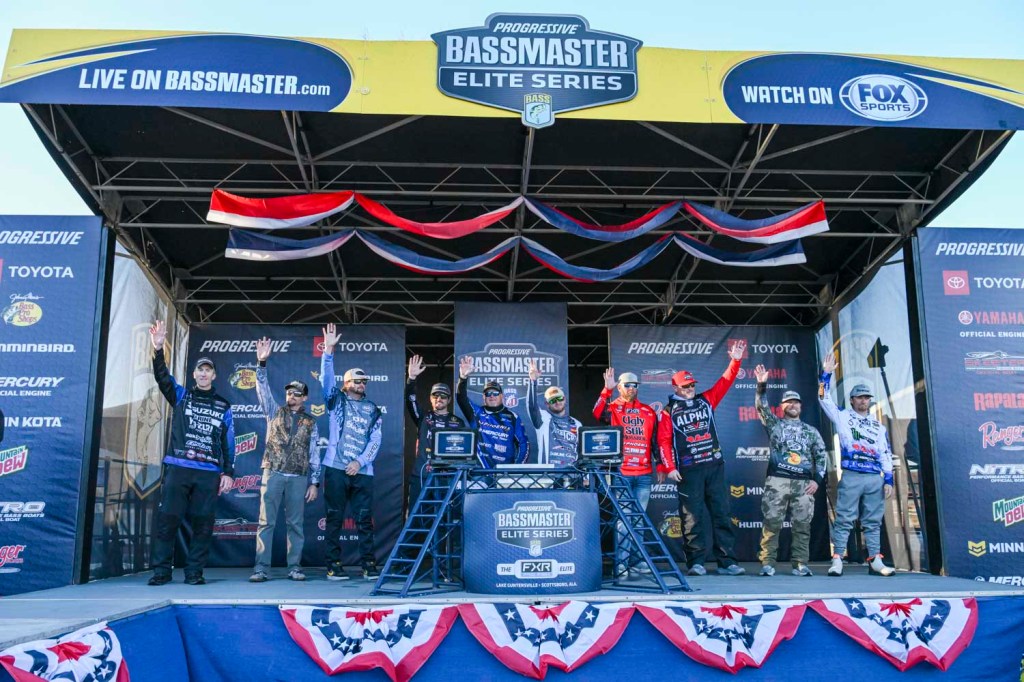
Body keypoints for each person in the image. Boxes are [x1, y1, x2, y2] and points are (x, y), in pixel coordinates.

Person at [147, 320, 234, 586]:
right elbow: (162, 377)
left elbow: (229, 443)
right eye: (200, 370)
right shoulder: (181, 396)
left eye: (208, 370)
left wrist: (228, 472)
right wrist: (158, 349)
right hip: (179, 467)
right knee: (167, 520)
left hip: (208, 472)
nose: (204, 374)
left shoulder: (224, 406)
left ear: (214, 376)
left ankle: (194, 572)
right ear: (194, 374)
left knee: (203, 525)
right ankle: (161, 572)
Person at [657, 340, 746, 576]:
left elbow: (725, 381)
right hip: (688, 470)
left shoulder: (706, 399)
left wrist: (735, 361)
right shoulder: (668, 411)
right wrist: (669, 467)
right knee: (691, 518)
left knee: (722, 514)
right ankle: (696, 562)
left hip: (714, 466)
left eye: (692, 385)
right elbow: (663, 441)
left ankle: (727, 562)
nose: (689, 389)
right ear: (675, 388)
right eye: (685, 386)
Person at [248, 337, 321, 583]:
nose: (292, 396)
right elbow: (262, 388)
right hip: (273, 472)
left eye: (297, 393)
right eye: (289, 392)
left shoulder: (311, 422)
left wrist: (315, 482)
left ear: (305, 398)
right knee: (265, 522)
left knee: (295, 525)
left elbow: (315, 453)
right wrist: (261, 363)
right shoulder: (273, 410)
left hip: (298, 477)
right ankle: (260, 568)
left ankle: (294, 567)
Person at [819, 352, 895, 577]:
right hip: (852, 474)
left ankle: (875, 561)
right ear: (852, 400)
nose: (863, 401)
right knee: (844, 518)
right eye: (859, 397)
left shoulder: (878, 426)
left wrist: (888, 479)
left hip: (874, 477)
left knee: (873, 521)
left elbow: (885, 452)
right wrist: (826, 375)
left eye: (866, 397)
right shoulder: (843, 416)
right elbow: (823, 399)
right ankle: (837, 560)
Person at [320, 323, 383, 581]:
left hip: (362, 471)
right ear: (346, 384)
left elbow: (376, 440)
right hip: (336, 468)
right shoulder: (336, 400)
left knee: (365, 520)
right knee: (334, 518)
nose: (361, 384)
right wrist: (328, 353)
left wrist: (360, 461)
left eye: (364, 381)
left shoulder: (373, 408)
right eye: (357, 380)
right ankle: (333, 565)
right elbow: (326, 381)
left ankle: (369, 565)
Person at [753, 365, 827, 577]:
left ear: (800, 406)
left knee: (802, 526)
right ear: (782, 406)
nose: (793, 405)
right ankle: (767, 563)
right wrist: (761, 385)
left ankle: (800, 564)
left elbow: (821, 456)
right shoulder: (774, 425)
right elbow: (761, 407)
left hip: (804, 484)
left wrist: (817, 480)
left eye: (796, 402)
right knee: (772, 524)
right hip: (777, 482)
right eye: (788, 402)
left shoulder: (810, 431)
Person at [593, 368, 660, 576]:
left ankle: (637, 562)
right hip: (621, 472)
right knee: (624, 520)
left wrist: (660, 464)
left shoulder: (648, 411)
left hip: (644, 473)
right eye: (627, 385)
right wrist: (607, 390)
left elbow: (655, 441)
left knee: (638, 519)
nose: (631, 388)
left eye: (634, 385)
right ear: (620, 387)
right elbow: (597, 413)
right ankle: (621, 565)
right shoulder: (613, 408)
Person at [405, 354, 465, 509]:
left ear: (449, 400)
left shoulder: (457, 422)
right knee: (417, 516)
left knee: (444, 516)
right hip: (422, 475)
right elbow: (410, 400)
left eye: (443, 396)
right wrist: (411, 378)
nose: (439, 398)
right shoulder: (423, 417)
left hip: (446, 476)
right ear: (430, 398)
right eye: (435, 395)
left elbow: (463, 452)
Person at [456, 356, 529, 467]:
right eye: (488, 393)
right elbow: (461, 399)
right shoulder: (476, 412)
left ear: (502, 396)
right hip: (479, 472)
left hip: (504, 473)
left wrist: (517, 468)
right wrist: (463, 378)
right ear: (483, 397)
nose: (492, 396)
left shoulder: (512, 417)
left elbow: (523, 444)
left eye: (495, 393)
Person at [527, 359, 580, 467]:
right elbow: (532, 406)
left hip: (572, 473)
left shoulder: (576, 423)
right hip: (549, 473)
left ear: (564, 399)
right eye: (552, 400)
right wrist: (533, 381)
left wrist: (584, 474)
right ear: (547, 404)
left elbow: (582, 452)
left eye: (559, 398)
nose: (557, 402)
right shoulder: (543, 418)